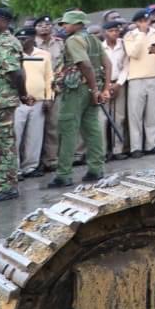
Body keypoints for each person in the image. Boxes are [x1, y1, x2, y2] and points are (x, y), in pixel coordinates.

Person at [49, 11, 107, 188]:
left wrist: (94, 89)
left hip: (76, 90)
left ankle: (63, 174)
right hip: (91, 88)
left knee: (67, 129)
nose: (63, 26)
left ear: (77, 24)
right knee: (92, 128)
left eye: (67, 23)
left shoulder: (73, 40)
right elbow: (108, 63)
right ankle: (96, 169)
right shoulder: (93, 39)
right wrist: (101, 89)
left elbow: (85, 64)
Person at [0, 8, 30, 203]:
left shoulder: (5, 43)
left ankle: (6, 187)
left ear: (5, 22)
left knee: (2, 146)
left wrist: (22, 95)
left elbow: (16, 73)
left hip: (1, 103)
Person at [124, 8, 155, 154]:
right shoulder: (130, 35)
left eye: (147, 21)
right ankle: (136, 147)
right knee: (136, 115)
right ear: (136, 23)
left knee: (153, 114)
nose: (145, 23)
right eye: (141, 21)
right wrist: (141, 35)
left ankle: (151, 145)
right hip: (136, 78)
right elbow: (133, 54)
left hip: (154, 76)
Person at [14, 28, 50, 177]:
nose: (22, 42)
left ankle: (30, 167)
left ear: (33, 38)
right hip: (18, 101)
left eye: (25, 39)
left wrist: (49, 97)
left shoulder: (44, 54)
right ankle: (14, 170)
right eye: (20, 39)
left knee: (34, 137)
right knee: (16, 136)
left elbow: (49, 77)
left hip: (38, 100)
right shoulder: (13, 54)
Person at [32, 14, 62, 174]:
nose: (45, 27)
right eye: (40, 25)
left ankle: (51, 160)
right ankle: (33, 163)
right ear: (35, 28)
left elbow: (63, 64)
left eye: (48, 24)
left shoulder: (59, 44)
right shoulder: (29, 43)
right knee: (33, 129)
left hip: (55, 89)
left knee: (52, 126)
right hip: (34, 91)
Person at [100, 17, 129, 160]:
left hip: (120, 84)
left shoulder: (123, 45)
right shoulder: (100, 47)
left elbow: (126, 66)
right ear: (105, 33)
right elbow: (100, 68)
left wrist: (118, 84)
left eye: (116, 30)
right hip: (104, 85)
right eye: (111, 31)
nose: (114, 33)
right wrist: (107, 85)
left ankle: (118, 149)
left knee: (119, 118)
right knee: (103, 119)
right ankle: (104, 151)